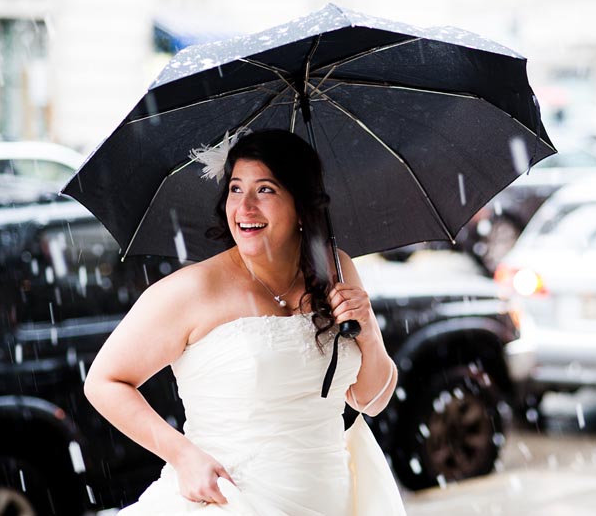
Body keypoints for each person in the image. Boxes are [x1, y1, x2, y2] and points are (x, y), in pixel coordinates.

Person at [83, 129, 404, 515]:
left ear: (302, 205)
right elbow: (103, 382)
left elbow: (372, 400)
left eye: (265, 190)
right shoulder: (193, 290)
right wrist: (183, 456)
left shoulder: (337, 269)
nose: (245, 207)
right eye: (236, 189)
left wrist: (367, 330)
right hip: (231, 499)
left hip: (331, 497)